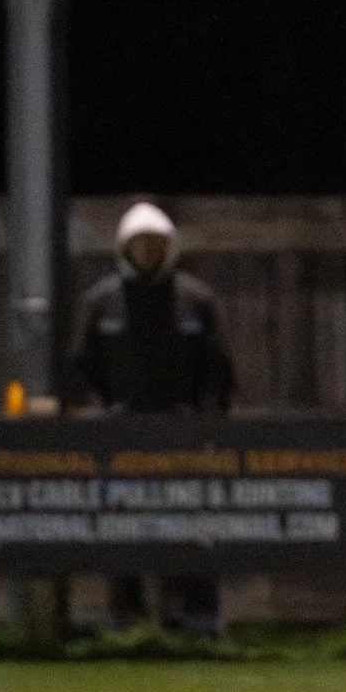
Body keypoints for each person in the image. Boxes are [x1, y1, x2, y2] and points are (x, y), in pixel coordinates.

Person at [70, 201, 235, 633]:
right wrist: (100, 412)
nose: (147, 251)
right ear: (125, 247)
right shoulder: (101, 302)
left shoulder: (196, 299)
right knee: (121, 528)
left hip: (184, 437)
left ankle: (197, 616)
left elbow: (218, 368)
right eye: (139, 243)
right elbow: (81, 368)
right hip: (120, 437)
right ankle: (127, 617)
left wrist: (207, 418)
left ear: (170, 247)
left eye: (155, 243)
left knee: (193, 527)